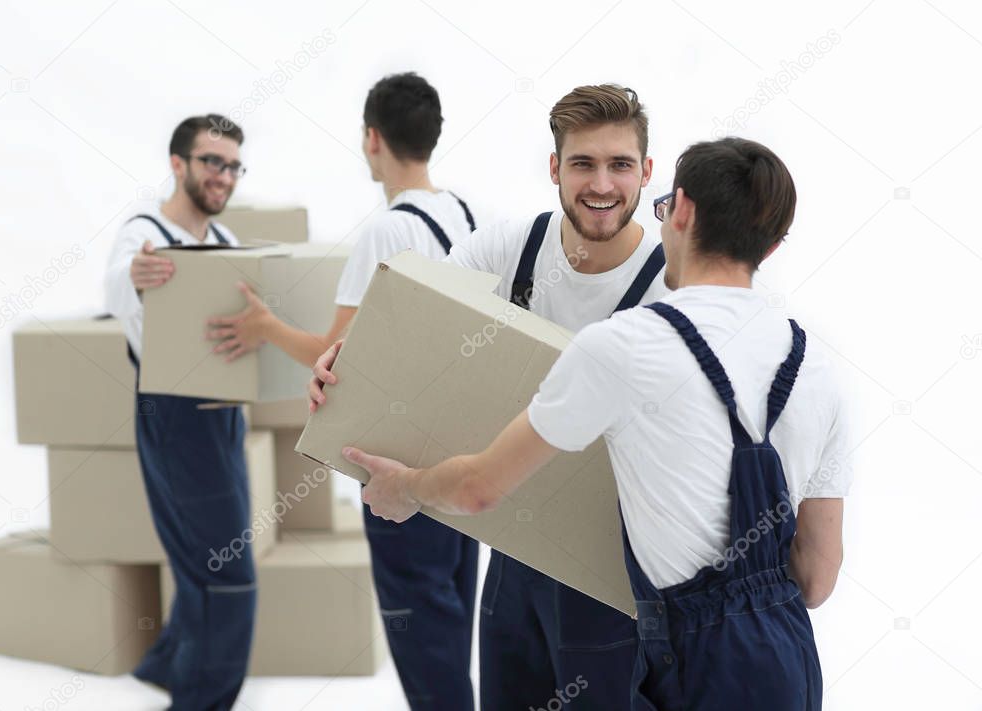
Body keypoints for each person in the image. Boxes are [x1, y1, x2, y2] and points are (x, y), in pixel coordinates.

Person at [342, 136, 851, 711]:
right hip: (788, 665)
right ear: (775, 243)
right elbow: (815, 579)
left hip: (685, 663)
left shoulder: (623, 346)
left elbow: (479, 489)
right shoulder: (820, 369)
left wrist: (404, 486)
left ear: (680, 210)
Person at [311, 84, 671, 710]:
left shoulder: (672, 280)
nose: (602, 184)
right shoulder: (511, 248)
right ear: (555, 168)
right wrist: (346, 364)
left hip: (614, 577)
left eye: (619, 164)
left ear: (646, 170)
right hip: (512, 555)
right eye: (583, 163)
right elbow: (417, 323)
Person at [205, 73, 479, 711]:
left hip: (395, 453)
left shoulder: (386, 231)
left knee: (421, 627)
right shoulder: (465, 213)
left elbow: (339, 356)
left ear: (372, 138)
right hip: (461, 444)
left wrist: (265, 327)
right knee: (451, 615)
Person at [104, 114, 255, 710]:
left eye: (233, 166)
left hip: (224, 414)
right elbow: (117, 284)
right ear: (178, 164)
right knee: (230, 574)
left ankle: (168, 663)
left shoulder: (224, 243)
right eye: (212, 162)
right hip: (172, 415)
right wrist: (136, 278)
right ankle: (200, 700)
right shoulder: (144, 232)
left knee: (204, 556)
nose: (223, 176)